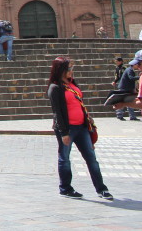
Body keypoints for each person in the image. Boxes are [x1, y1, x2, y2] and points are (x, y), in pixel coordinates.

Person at [47, 56, 112, 200]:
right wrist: (63, 133)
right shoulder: (55, 88)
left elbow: (79, 104)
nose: (71, 71)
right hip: (67, 129)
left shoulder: (72, 85)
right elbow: (57, 112)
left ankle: (101, 189)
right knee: (64, 158)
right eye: (68, 69)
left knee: (91, 158)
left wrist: (88, 120)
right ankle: (65, 188)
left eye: (72, 68)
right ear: (60, 70)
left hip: (82, 128)